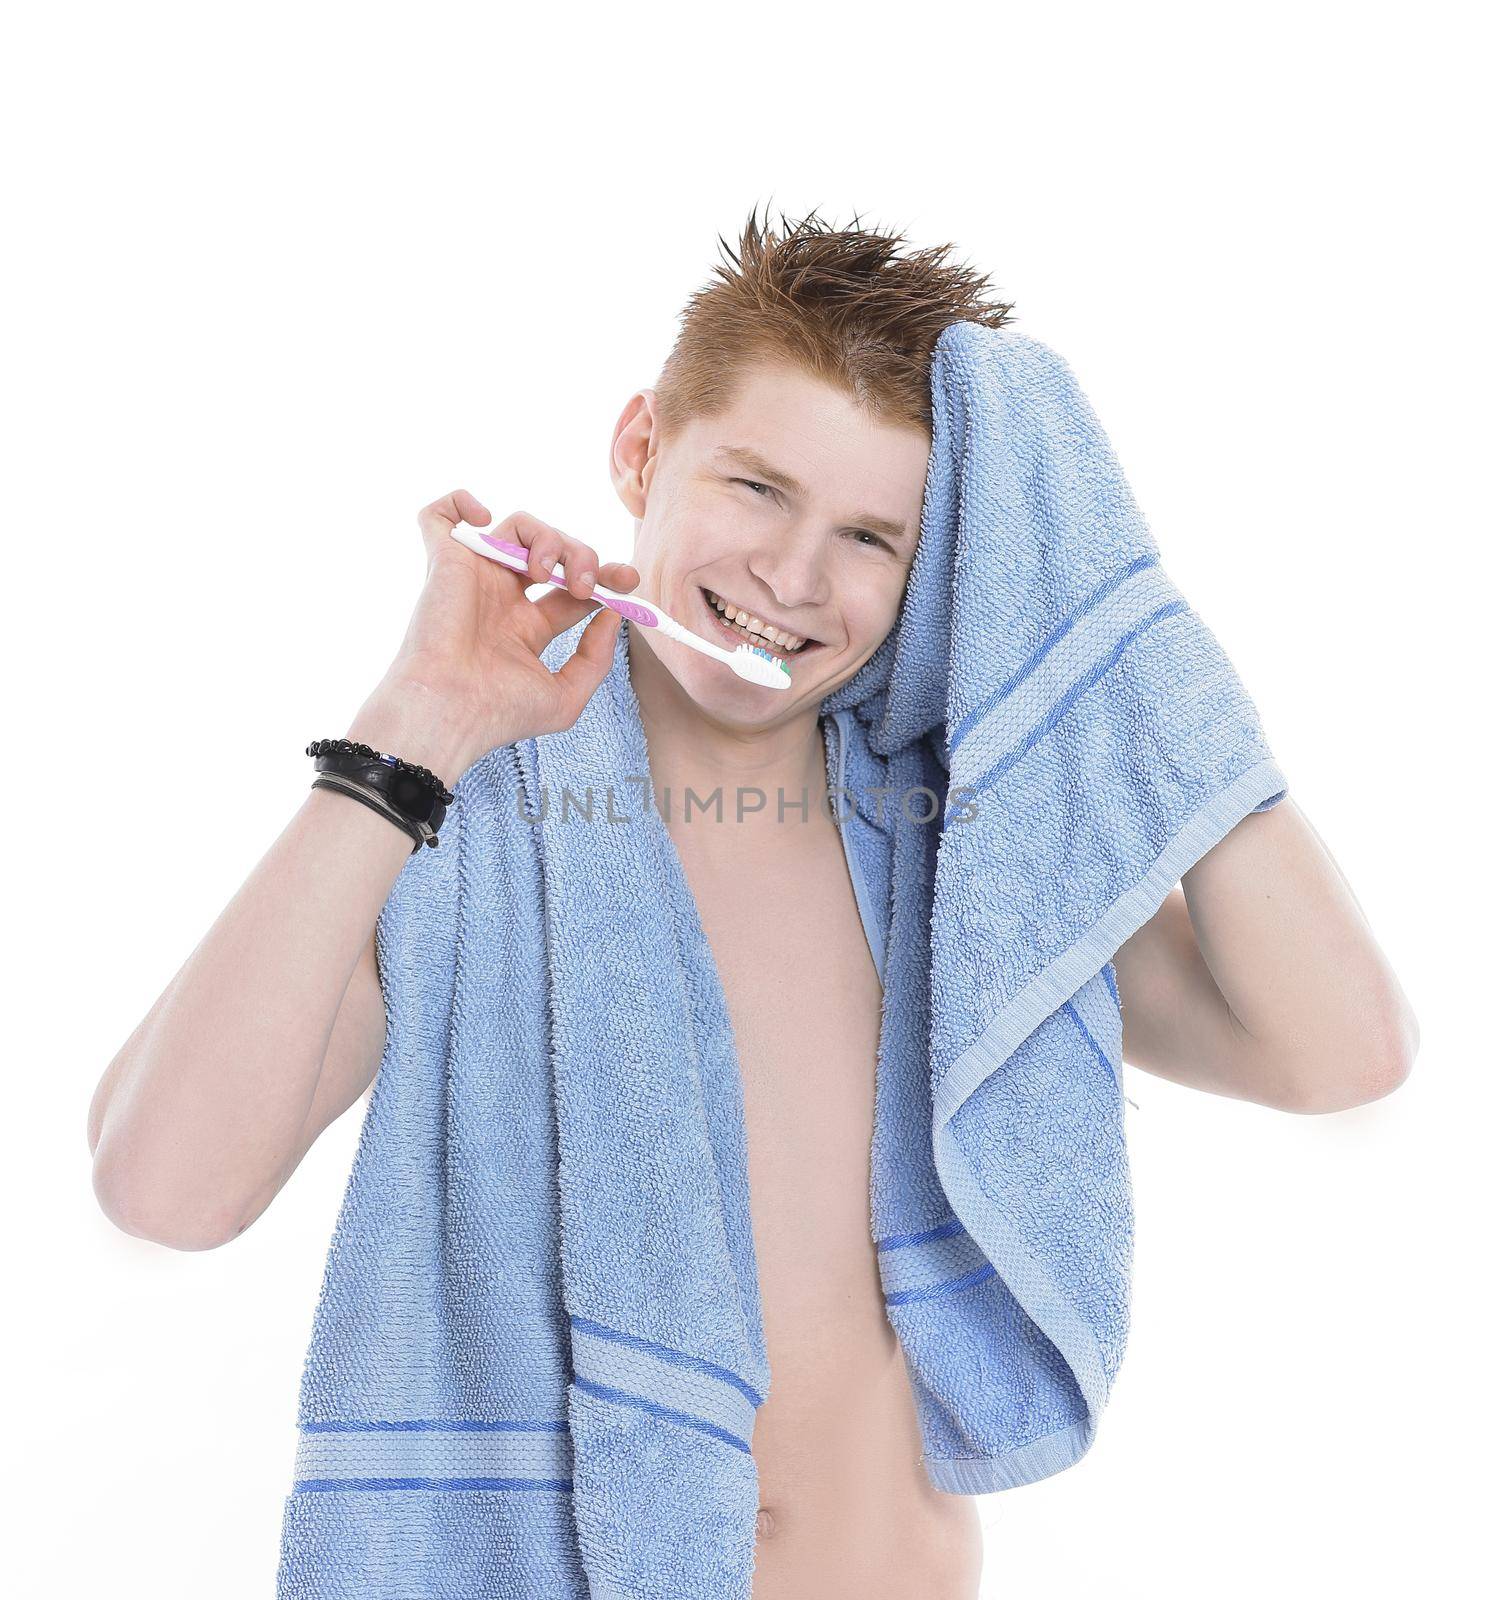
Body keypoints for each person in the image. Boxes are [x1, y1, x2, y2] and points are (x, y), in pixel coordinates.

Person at [86, 207, 1420, 1599]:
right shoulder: (459, 832)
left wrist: (1118, 628)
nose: (792, 578)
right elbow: (163, 1188)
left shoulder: (963, 862)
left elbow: (1341, 1052)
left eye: (870, 537)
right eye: (757, 488)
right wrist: (414, 727)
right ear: (640, 451)